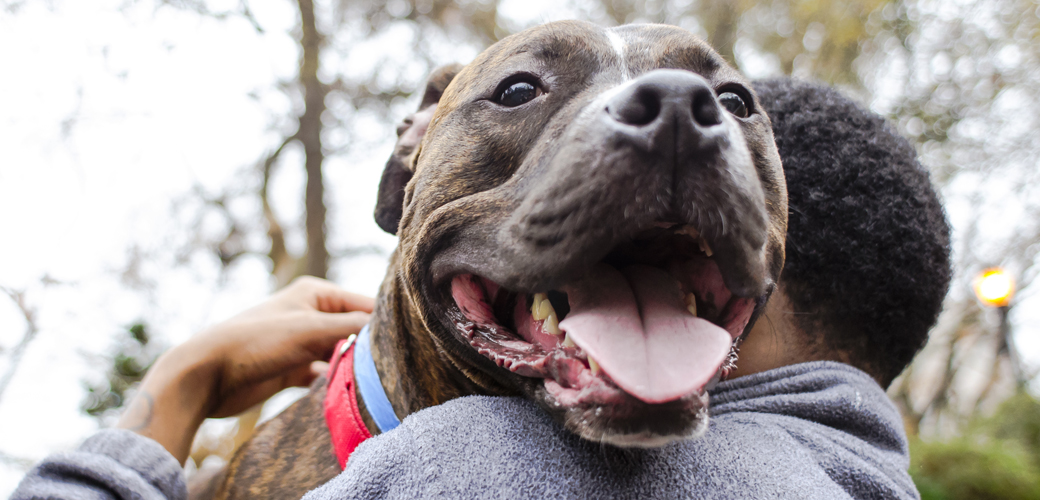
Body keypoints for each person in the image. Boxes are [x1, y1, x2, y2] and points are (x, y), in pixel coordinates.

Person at [11, 78, 951, 499]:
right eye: (520, 92)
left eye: (726, 102)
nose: (676, 111)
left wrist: (176, 390)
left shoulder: (471, 463)